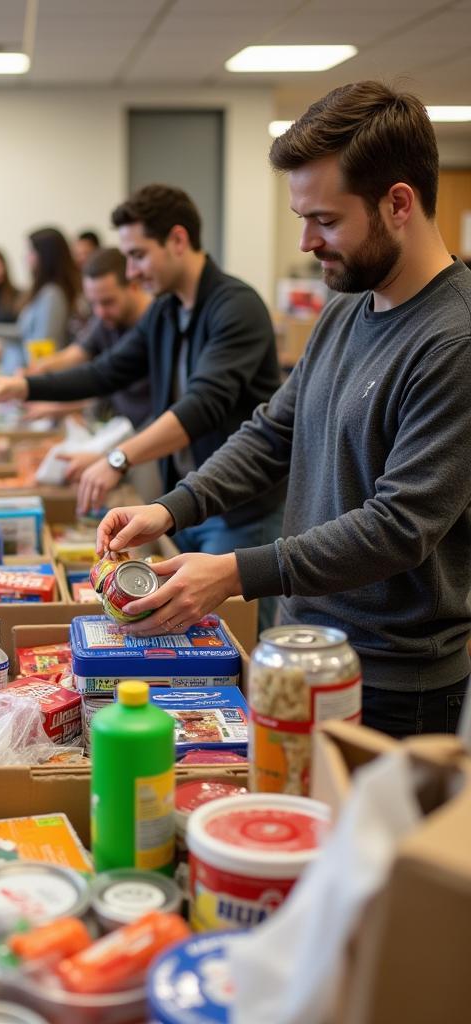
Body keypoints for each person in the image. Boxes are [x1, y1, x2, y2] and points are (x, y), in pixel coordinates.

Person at [95, 82, 471, 739]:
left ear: (399, 204)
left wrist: (238, 572)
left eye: (325, 220)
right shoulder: (349, 305)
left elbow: (400, 524)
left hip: (389, 682)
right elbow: (273, 431)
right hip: (302, 645)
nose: (305, 241)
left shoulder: (454, 338)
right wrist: (173, 507)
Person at [0, 186, 284, 630]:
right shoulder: (167, 310)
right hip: (187, 498)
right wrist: (21, 386)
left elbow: (202, 406)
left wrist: (118, 457)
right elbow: (108, 370)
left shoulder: (236, 307)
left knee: (232, 642)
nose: (131, 271)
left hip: (238, 508)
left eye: (139, 255)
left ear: (178, 241)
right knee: (190, 641)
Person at [24, 247, 152, 429]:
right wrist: (36, 369)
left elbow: (100, 380)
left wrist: (53, 403)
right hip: (122, 430)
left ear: (134, 286)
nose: (100, 312)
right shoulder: (106, 319)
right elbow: (77, 353)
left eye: (108, 302)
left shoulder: (153, 325)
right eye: (93, 303)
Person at [0, 227, 80, 374]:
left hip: (30, 376)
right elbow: (24, 332)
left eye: (31, 252)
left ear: (44, 256)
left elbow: (42, 347)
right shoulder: (44, 292)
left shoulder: (52, 295)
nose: (26, 257)